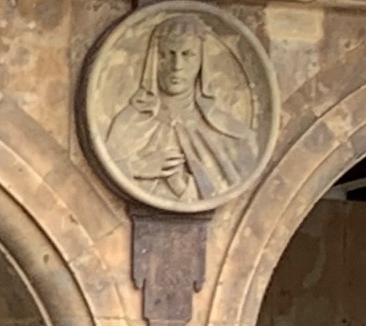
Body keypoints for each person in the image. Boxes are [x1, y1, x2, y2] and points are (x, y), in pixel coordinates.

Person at [102, 13, 260, 204]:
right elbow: (111, 169)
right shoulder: (128, 123)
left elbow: (225, 188)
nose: (176, 66)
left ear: (201, 62)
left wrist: (181, 186)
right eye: (167, 54)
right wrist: (137, 167)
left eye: (187, 55)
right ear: (154, 60)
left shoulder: (230, 133)